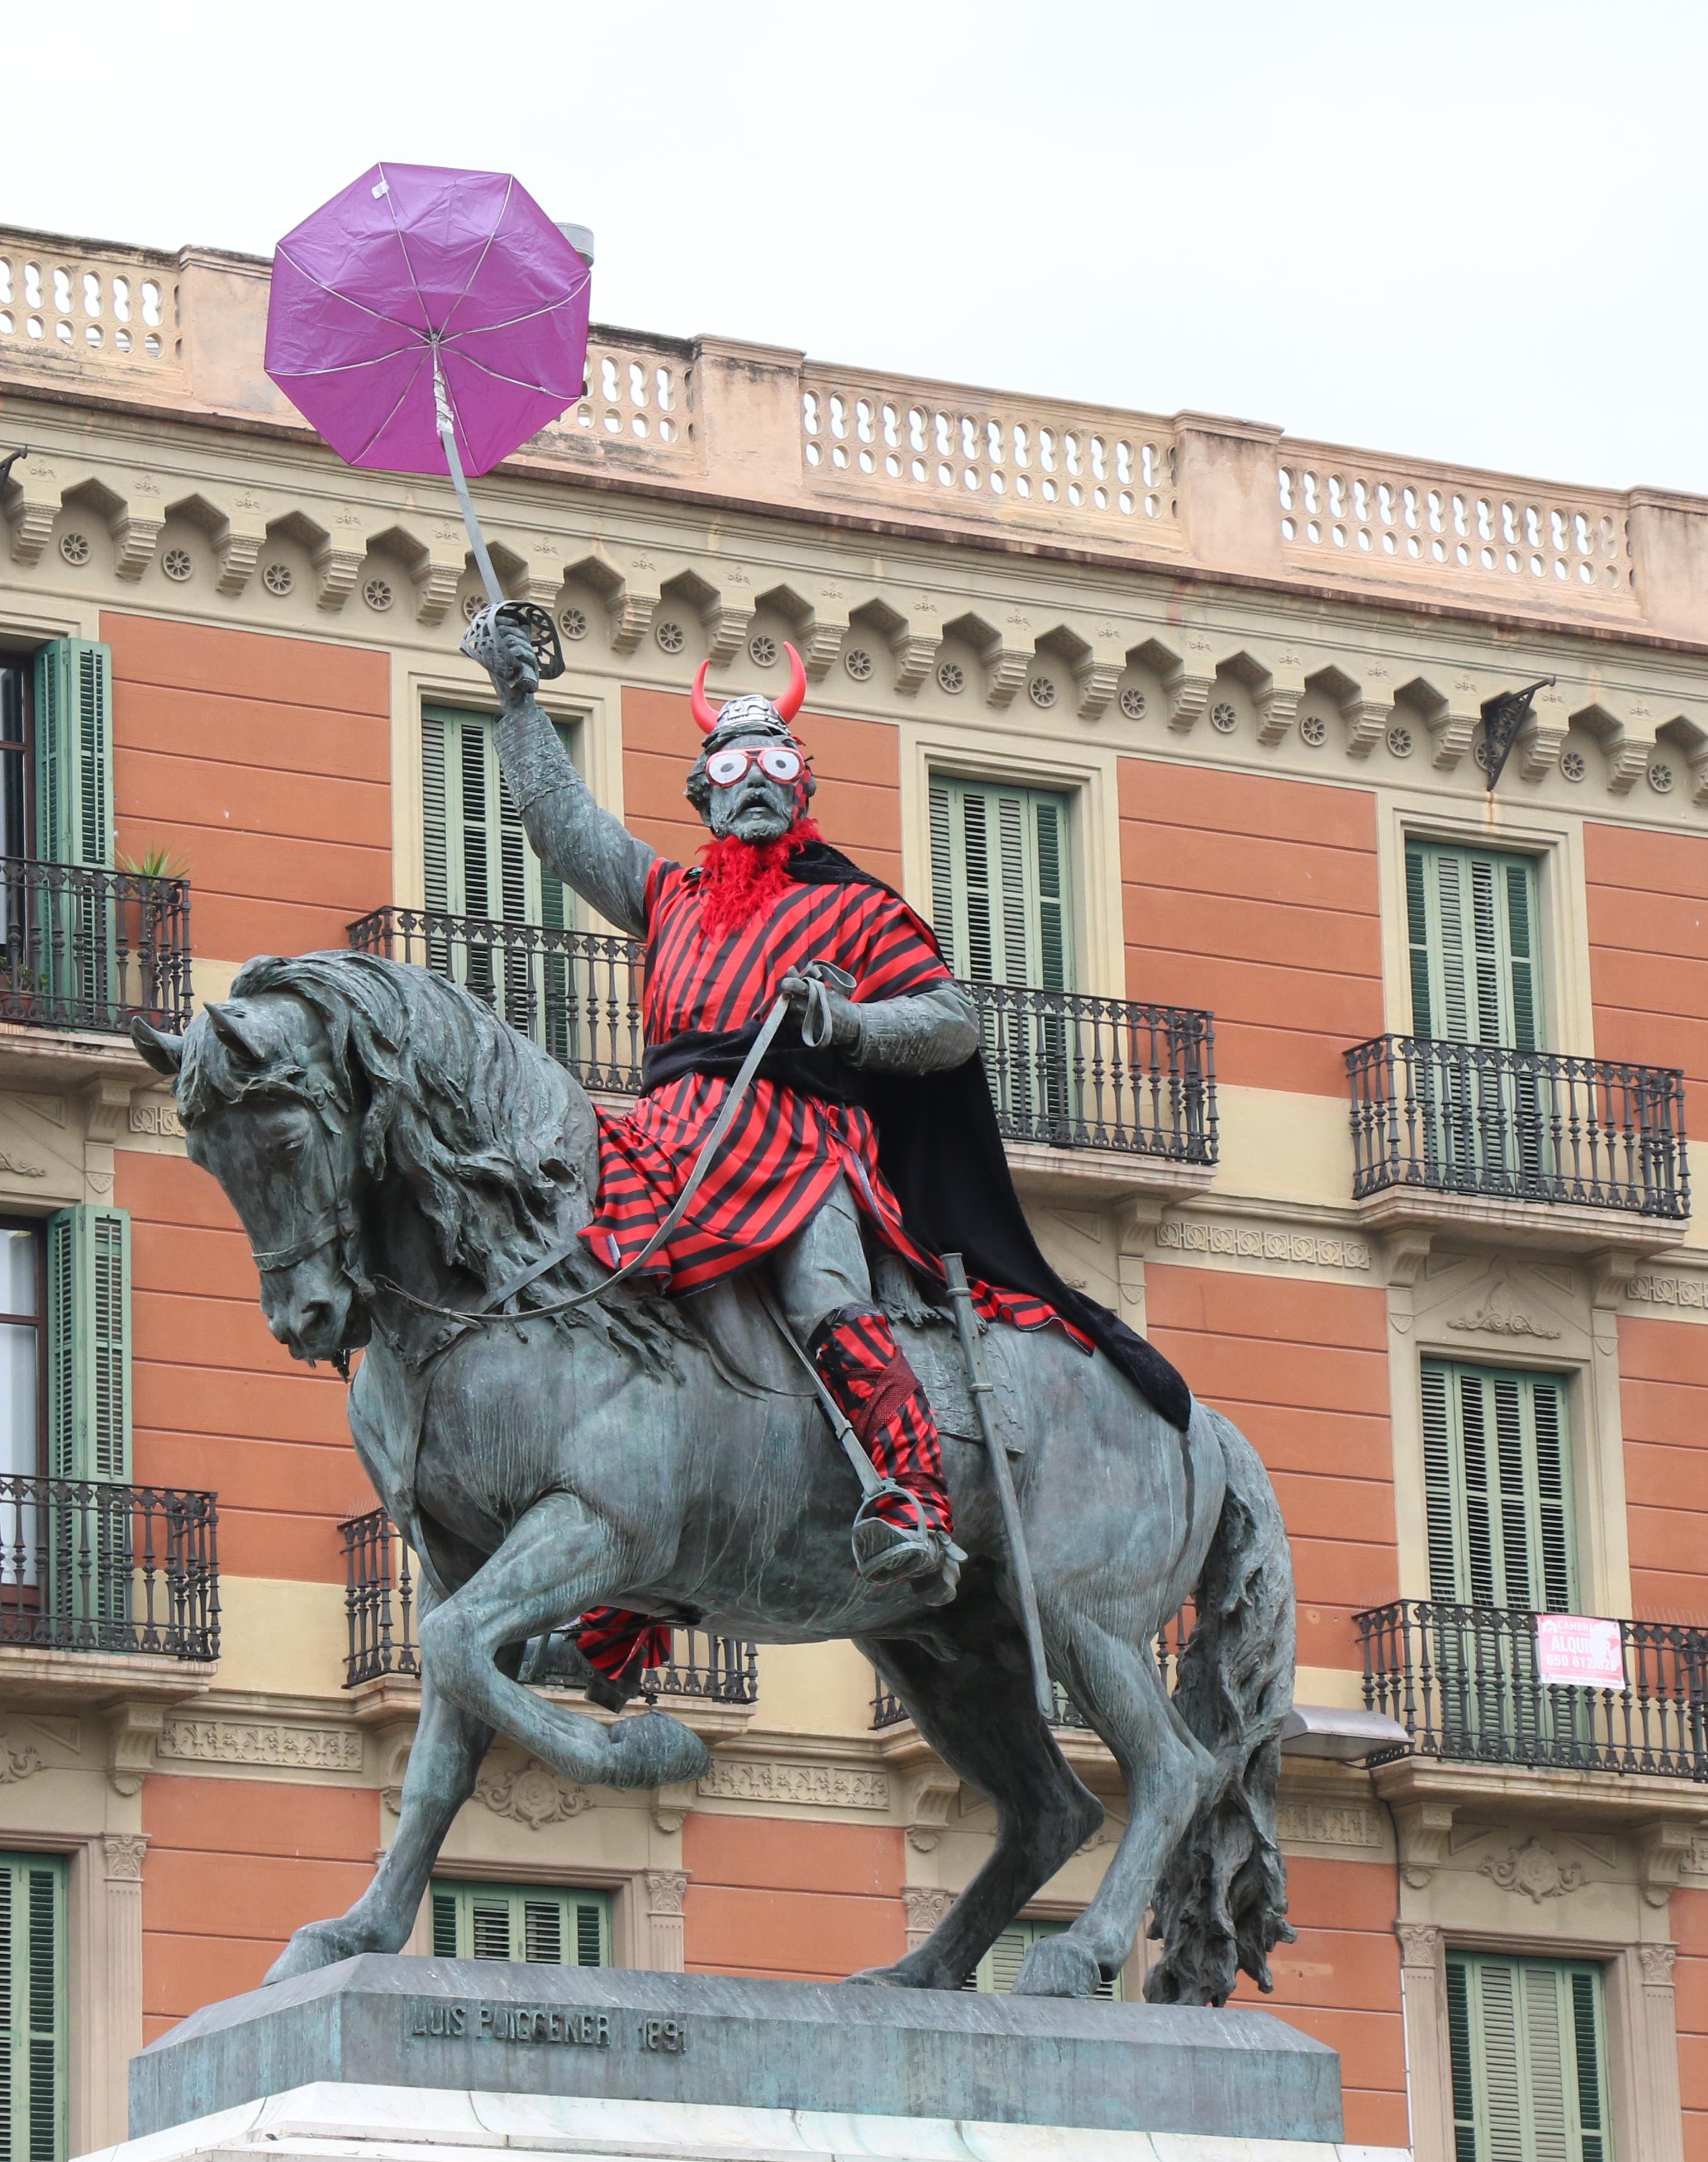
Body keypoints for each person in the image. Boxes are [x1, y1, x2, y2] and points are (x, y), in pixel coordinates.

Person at [461, 614, 1188, 1616]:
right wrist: (518, 704)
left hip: (796, 1148)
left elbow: (949, 1021)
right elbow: (561, 828)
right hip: (667, 1137)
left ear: (801, 785)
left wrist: (843, 1020)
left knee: (822, 1299)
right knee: (604, 1306)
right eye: (731, 764)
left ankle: (915, 1500)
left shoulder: (856, 908)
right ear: (701, 791)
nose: (753, 779)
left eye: (772, 761)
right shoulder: (666, 894)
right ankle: (614, 1587)